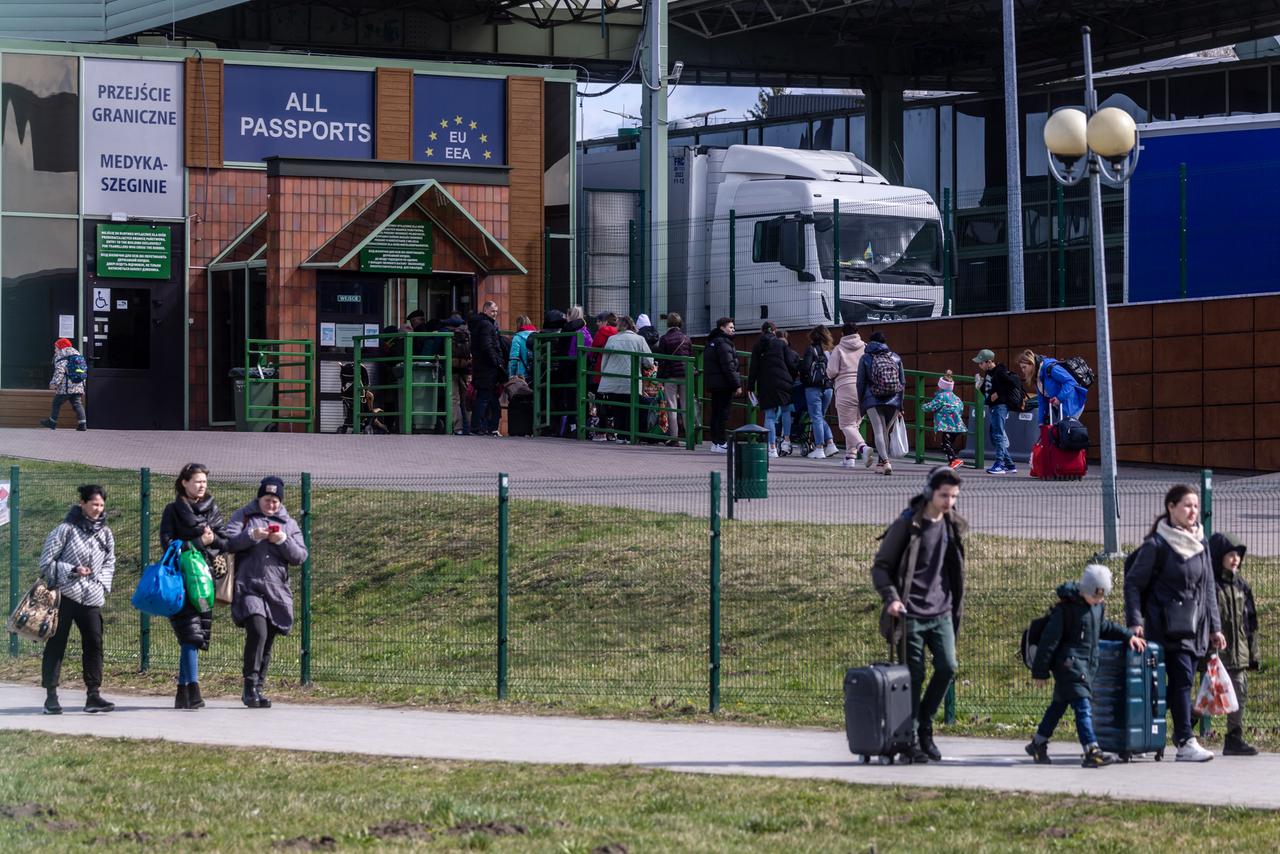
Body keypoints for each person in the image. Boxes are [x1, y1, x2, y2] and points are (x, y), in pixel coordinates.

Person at [1123, 484, 1226, 762]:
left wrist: (1215, 627)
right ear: (1171, 508)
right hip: (1165, 626)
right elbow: (1133, 583)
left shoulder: (1201, 543)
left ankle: (1143, 735)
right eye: (1186, 505)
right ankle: (1184, 741)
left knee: (1179, 683)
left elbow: (1208, 589)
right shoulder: (1157, 545)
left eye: (1195, 506)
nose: (1192, 511)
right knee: (1181, 680)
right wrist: (1134, 621)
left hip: (1197, 628)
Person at [870, 466, 966, 763]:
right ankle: (908, 739)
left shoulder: (953, 525)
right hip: (910, 612)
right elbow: (881, 567)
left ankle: (925, 726)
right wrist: (892, 599)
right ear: (929, 492)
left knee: (948, 667)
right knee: (914, 675)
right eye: (944, 495)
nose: (949, 501)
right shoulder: (907, 525)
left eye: (953, 496)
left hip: (942, 611)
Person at [1026, 564, 1146, 767]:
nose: (1098, 600)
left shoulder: (1097, 608)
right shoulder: (1065, 609)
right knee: (1083, 707)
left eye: (1102, 597)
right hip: (1070, 666)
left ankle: (1038, 743)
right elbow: (1049, 641)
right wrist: (1040, 670)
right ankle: (1091, 750)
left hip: (1086, 666)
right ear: (1084, 590)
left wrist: (1128, 636)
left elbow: (1104, 627)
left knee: (1058, 706)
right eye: (1095, 596)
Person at [225, 476, 309, 709]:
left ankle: (258, 688)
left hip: (276, 590)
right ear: (259, 498)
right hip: (248, 586)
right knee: (258, 631)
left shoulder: (288, 523)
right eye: (266, 499)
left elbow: (300, 556)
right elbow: (228, 542)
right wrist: (252, 536)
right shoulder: (243, 516)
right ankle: (249, 685)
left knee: (268, 639)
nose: (271, 505)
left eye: (275, 501)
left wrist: (282, 540)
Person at [39, 484, 116, 715]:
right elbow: (46, 563)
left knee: (94, 644)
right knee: (56, 644)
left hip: (91, 597)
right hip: (65, 596)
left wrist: (101, 584)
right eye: (94, 504)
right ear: (82, 503)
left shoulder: (106, 533)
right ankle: (51, 696)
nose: (98, 509)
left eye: (101, 505)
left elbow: (110, 562)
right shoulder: (65, 530)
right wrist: (72, 569)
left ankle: (93, 695)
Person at [160, 463, 229, 711]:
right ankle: (193, 690)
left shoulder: (212, 509)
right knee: (190, 636)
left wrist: (212, 541)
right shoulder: (173, 510)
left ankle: (182, 693)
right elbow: (167, 544)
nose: (201, 486)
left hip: (204, 582)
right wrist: (198, 541)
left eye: (204, 482)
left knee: (195, 636)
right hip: (181, 581)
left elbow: (224, 541)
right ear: (184, 483)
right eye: (197, 481)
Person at [1204, 532, 1260, 756]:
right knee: (1205, 698)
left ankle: (1233, 738)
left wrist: (1253, 655)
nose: (1235, 559)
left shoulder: (1242, 587)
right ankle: (1184, 730)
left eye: (1238, 555)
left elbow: (1251, 623)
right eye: (1230, 554)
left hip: (1238, 654)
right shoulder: (1210, 586)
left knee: (1239, 692)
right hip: (1213, 653)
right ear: (1219, 557)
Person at [596, 315, 654, 442]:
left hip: (613, 381)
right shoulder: (639, 339)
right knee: (630, 407)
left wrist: (604, 375)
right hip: (631, 381)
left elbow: (604, 361)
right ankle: (629, 435)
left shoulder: (611, 339)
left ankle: (620, 435)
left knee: (618, 407)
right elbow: (649, 361)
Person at [748, 321, 800, 459]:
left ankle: (771, 448)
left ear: (762, 331)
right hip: (783, 382)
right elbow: (791, 363)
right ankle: (786, 441)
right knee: (786, 410)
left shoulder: (757, 346)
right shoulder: (781, 344)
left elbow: (753, 368)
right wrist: (792, 378)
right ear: (775, 331)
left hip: (765, 383)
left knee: (769, 415)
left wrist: (750, 387)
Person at [856, 331, 906, 475]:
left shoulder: (865, 358)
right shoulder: (896, 357)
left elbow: (860, 383)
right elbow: (902, 382)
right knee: (885, 431)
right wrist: (900, 404)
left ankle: (886, 462)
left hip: (873, 399)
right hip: (894, 399)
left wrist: (862, 403)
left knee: (879, 431)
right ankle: (880, 464)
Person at [826, 321, 870, 469]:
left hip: (845, 387)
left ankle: (863, 448)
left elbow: (832, 371)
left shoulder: (839, 349)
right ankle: (850, 457)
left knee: (846, 425)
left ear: (843, 333)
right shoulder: (865, 347)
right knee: (854, 425)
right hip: (863, 389)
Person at [973, 348, 1023, 475]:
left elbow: (1013, 383)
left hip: (1000, 406)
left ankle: (999, 464)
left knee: (998, 435)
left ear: (989, 362)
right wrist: (980, 386)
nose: (980, 365)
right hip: (994, 406)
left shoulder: (999, 371)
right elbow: (988, 394)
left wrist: (999, 393)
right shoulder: (989, 373)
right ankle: (1010, 464)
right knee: (995, 435)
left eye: (981, 363)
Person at [1017, 349, 1086, 426]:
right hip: (1060, 407)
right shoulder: (1038, 377)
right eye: (1021, 368)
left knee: (1065, 432)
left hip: (1072, 404)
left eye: (1024, 367)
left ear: (1032, 364)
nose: (1023, 371)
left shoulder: (1050, 368)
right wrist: (1041, 422)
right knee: (1061, 433)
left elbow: (1070, 382)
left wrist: (1059, 398)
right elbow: (1042, 400)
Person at [703, 317, 741, 453]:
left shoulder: (712, 342)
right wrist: (737, 384)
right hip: (724, 383)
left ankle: (716, 442)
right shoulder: (724, 343)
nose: (733, 330)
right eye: (730, 327)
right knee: (723, 413)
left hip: (715, 383)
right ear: (722, 328)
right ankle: (721, 441)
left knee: (716, 412)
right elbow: (728, 366)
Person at [469, 300, 507, 436]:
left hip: (482, 367)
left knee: (487, 398)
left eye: (496, 311)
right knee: (485, 397)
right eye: (492, 311)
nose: (495, 313)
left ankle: (488, 427)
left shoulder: (482, 324)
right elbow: (488, 347)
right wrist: (497, 362)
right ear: (485, 311)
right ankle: (479, 427)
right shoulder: (486, 325)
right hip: (487, 368)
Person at [800, 325, 838, 460]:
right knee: (820, 417)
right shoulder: (831, 351)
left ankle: (819, 448)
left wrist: (804, 380)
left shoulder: (811, 349)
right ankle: (830, 443)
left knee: (816, 417)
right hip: (828, 388)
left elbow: (805, 368)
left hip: (814, 387)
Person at [656, 312, 693, 445]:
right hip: (685, 375)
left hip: (670, 375)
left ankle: (674, 437)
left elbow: (662, 361)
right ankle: (690, 436)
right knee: (686, 405)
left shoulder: (664, 339)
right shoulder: (686, 338)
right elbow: (690, 356)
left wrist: (659, 379)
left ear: (668, 324)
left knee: (672, 406)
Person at [920, 370, 966, 470]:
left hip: (948, 425)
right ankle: (952, 461)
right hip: (958, 426)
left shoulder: (941, 396)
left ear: (940, 386)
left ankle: (955, 460)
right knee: (948, 444)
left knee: (945, 445)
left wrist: (923, 406)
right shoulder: (956, 398)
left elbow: (932, 406)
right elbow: (961, 409)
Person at [40, 337, 88, 431]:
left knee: (56, 403)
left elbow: (60, 371)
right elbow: (83, 372)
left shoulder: (62, 355)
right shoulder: (77, 355)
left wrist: (54, 383)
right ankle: (83, 424)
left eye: (56, 347)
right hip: (78, 386)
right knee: (77, 404)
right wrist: (83, 386)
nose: (55, 349)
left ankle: (52, 422)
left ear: (61, 347)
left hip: (66, 387)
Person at [444, 314, 472, 434]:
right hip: (466, 368)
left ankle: (457, 428)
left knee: (454, 399)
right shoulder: (468, 333)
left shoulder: (446, 332)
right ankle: (471, 427)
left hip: (451, 368)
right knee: (467, 398)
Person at [589, 312, 619, 391]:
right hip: (615, 366)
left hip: (601, 366)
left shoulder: (601, 333)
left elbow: (593, 350)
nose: (596, 323)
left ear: (605, 322)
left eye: (599, 321)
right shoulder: (619, 332)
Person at [507, 314, 537, 380]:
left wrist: (511, 375)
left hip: (522, 376)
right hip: (537, 374)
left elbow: (514, 359)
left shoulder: (517, 338)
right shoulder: (537, 336)